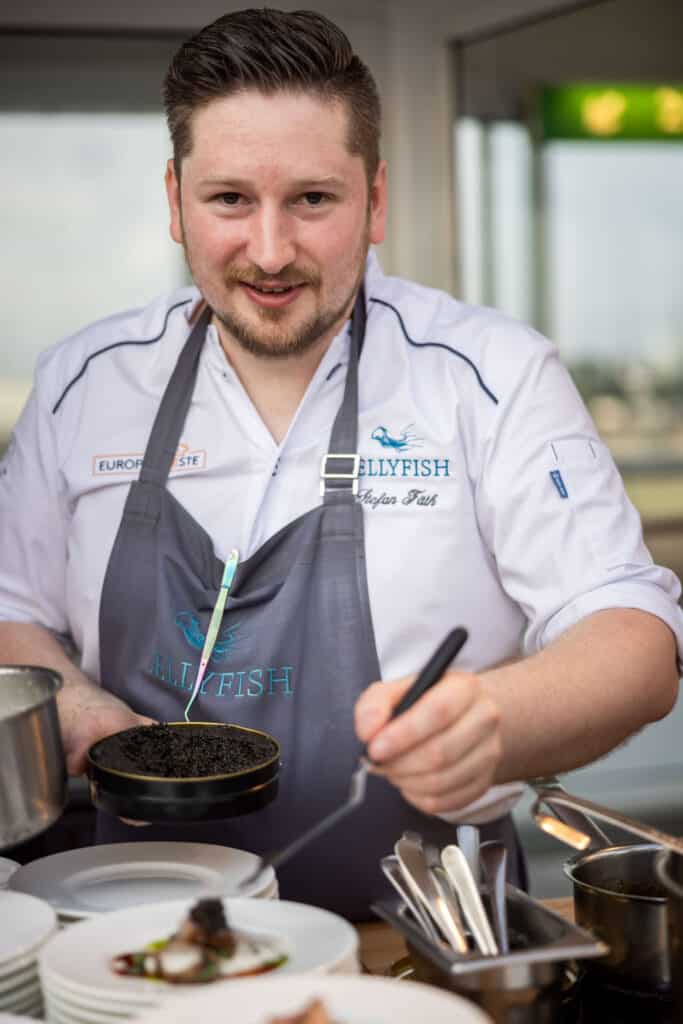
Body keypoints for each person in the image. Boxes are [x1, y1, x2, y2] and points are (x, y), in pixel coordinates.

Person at [0, 8, 681, 920]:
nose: (271, 251)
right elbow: (11, 609)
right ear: (174, 200)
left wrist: (494, 721)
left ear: (376, 200)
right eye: (229, 199)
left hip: (429, 940)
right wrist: (74, 701)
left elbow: (632, 636)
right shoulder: (84, 382)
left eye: (313, 199)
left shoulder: (489, 374)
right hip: (127, 939)